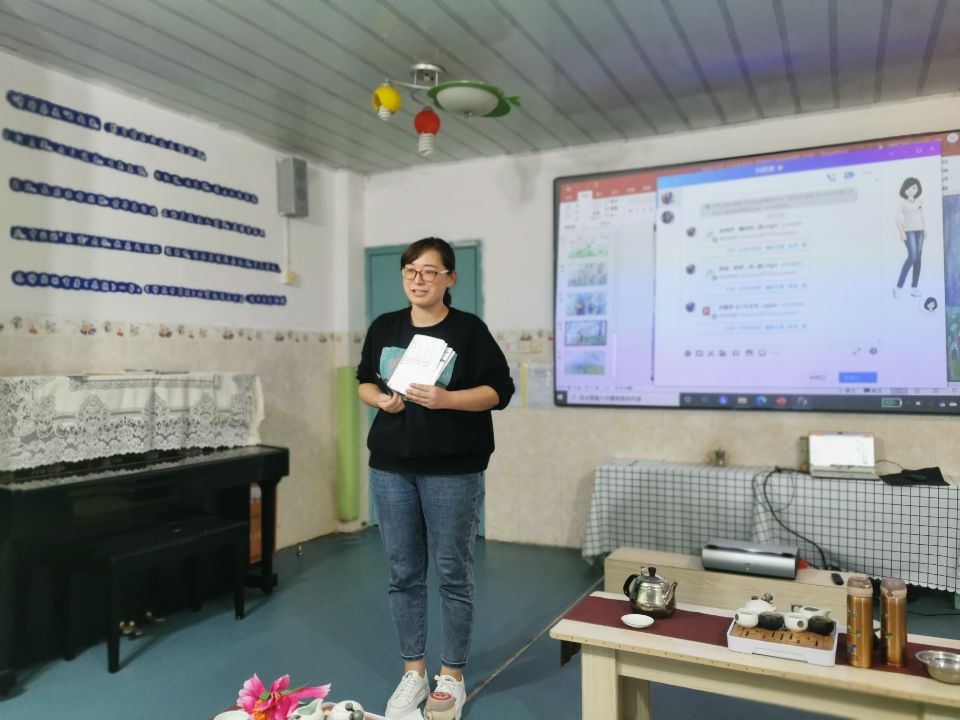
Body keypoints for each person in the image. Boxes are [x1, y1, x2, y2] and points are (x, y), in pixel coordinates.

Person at [356, 237, 514, 720]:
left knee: (452, 572)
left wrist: (447, 399)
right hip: (391, 466)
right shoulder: (385, 326)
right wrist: (380, 400)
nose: (418, 279)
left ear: (450, 278)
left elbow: (500, 390)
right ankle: (414, 673)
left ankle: (452, 676)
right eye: (410, 271)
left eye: (429, 271)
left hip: (453, 468)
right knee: (403, 573)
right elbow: (364, 380)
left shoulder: (468, 330)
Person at [894, 177, 926, 298]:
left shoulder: (919, 201)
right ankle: (899, 287)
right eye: (908, 188)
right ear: (904, 189)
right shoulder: (902, 202)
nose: (911, 190)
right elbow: (897, 219)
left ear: (917, 188)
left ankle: (914, 287)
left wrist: (925, 229)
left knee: (918, 259)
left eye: (914, 188)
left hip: (920, 231)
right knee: (912, 257)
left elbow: (922, 216)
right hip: (909, 232)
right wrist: (901, 232)